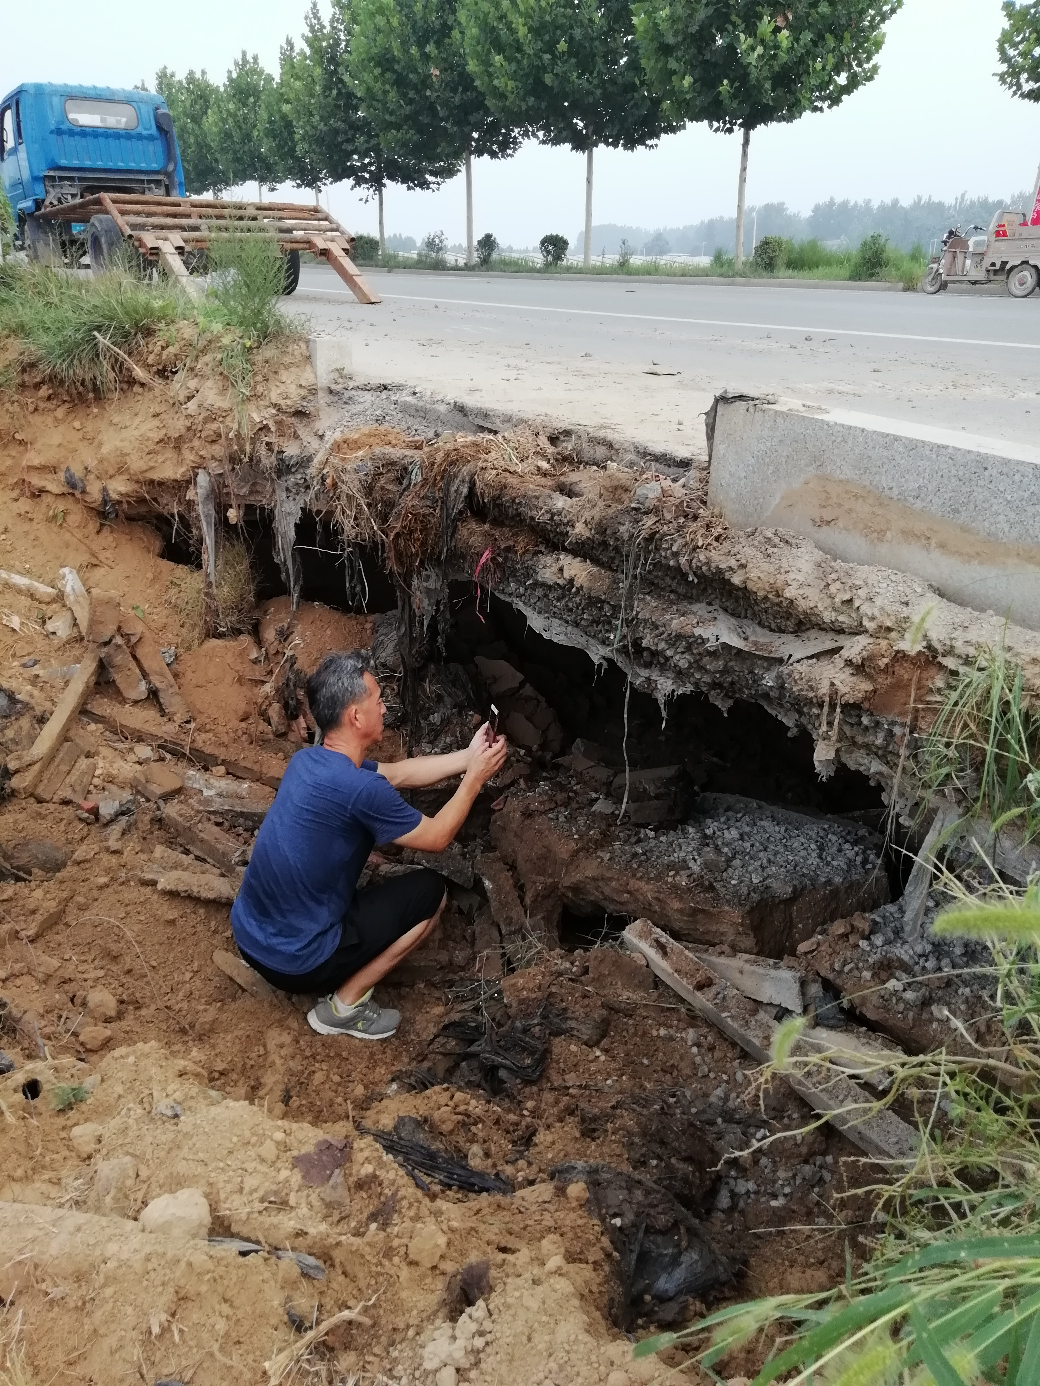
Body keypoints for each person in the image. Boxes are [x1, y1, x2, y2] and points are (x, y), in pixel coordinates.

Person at [231, 649, 508, 1040]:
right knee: (430, 893)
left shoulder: (309, 761)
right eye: (377, 699)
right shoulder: (360, 790)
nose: (384, 706)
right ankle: (344, 1007)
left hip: (249, 936)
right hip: (296, 963)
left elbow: (398, 773)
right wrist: (476, 780)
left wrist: (468, 757)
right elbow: (437, 837)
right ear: (356, 717)